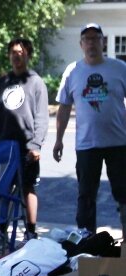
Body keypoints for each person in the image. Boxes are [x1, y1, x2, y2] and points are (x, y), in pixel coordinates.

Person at [53, 23, 126, 235]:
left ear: (103, 42)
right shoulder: (73, 71)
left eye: (96, 38)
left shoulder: (120, 68)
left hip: (119, 143)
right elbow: (64, 107)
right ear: (81, 44)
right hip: (87, 145)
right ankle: (87, 240)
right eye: (87, 39)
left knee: (124, 194)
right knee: (86, 195)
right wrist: (58, 139)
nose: (91, 42)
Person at [0, 38, 49, 245]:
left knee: (28, 188)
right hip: (3, 147)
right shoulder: (1, 83)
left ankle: (31, 232)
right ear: (8, 55)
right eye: (13, 52)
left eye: (21, 52)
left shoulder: (35, 82)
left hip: (26, 147)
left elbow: (41, 116)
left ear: (28, 55)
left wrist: (36, 145)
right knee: (2, 190)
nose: (16, 56)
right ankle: (1, 232)